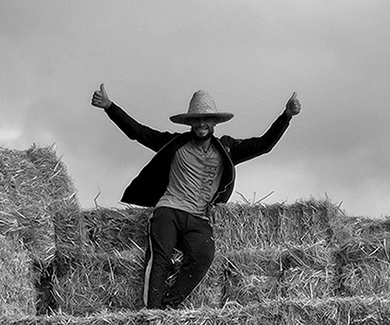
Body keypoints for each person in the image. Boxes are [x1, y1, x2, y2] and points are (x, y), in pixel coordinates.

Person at [91, 85, 301, 307]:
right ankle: (152, 311)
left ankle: (169, 305)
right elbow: (139, 132)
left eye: (207, 119)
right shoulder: (175, 144)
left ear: (214, 123)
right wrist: (110, 107)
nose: (202, 123)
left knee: (204, 256)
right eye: (197, 119)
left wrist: (286, 115)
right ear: (190, 122)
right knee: (161, 258)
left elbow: (264, 144)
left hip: (198, 218)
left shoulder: (227, 149)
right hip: (168, 211)